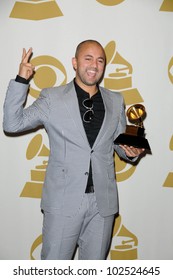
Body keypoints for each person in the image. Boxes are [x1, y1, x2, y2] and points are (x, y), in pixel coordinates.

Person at [3, 39, 144, 260]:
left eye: (100, 60)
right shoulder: (52, 97)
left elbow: (117, 144)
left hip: (102, 205)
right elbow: (12, 124)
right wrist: (22, 80)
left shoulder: (116, 100)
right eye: (88, 58)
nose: (94, 65)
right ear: (75, 63)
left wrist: (131, 152)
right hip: (63, 202)